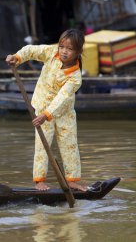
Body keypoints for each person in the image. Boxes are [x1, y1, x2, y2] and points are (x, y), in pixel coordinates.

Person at [6, 29, 87, 191]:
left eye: (69, 49)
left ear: (78, 52)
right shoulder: (51, 53)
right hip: (42, 105)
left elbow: (62, 98)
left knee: (69, 144)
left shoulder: (75, 77)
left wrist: (47, 115)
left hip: (64, 112)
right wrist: (17, 57)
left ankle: (71, 179)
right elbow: (32, 50)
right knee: (43, 144)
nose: (64, 51)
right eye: (62, 46)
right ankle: (39, 180)